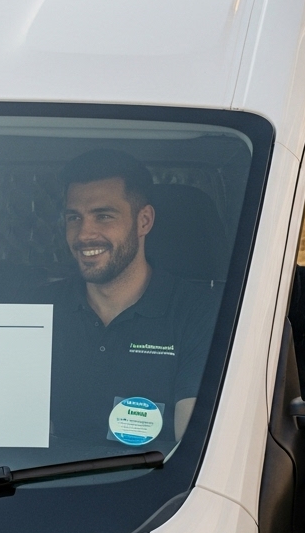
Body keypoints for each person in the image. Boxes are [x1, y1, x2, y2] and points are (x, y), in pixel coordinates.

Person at [43, 149, 218, 445]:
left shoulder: (198, 313)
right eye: (74, 217)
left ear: (144, 221)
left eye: (103, 216)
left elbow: (196, 449)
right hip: (37, 476)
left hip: (156, 478)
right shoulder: (37, 309)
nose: (84, 234)